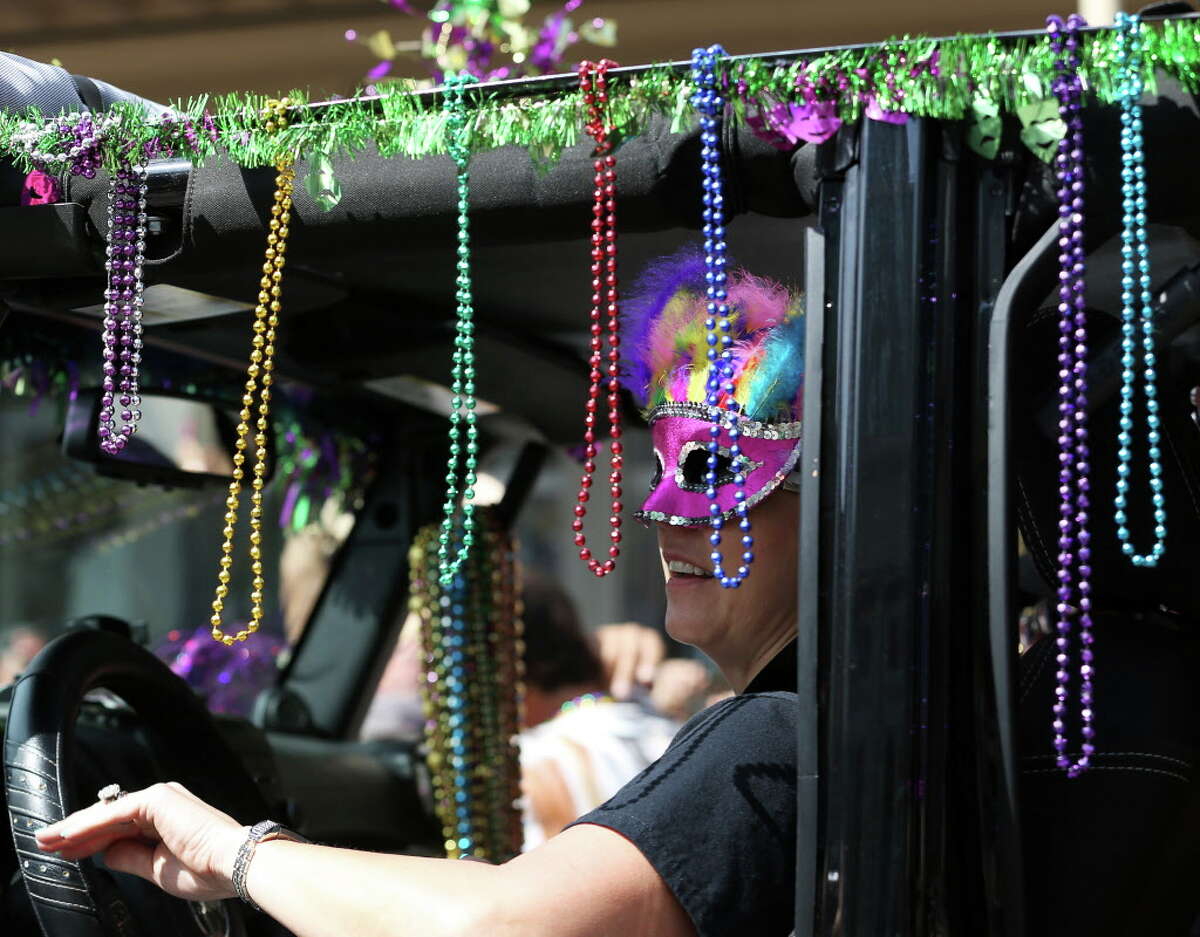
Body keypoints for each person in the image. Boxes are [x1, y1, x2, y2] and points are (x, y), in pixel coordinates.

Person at [35, 247, 805, 937]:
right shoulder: (802, 724)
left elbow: (505, 927)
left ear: (832, 499)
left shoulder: (777, 733)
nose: (665, 516)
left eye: (718, 474)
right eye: (666, 471)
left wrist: (237, 852)